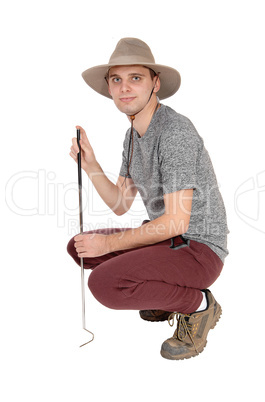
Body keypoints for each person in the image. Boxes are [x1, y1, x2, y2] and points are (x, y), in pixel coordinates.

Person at [67, 37, 229, 360]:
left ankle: (199, 306)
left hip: (198, 250)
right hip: (169, 240)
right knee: (80, 248)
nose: (125, 87)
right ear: (110, 88)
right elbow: (120, 203)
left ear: (155, 83)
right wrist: (91, 165)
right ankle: (164, 294)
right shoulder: (132, 137)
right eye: (117, 79)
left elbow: (176, 221)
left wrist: (110, 245)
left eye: (135, 78)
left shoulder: (174, 133)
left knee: (103, 283)